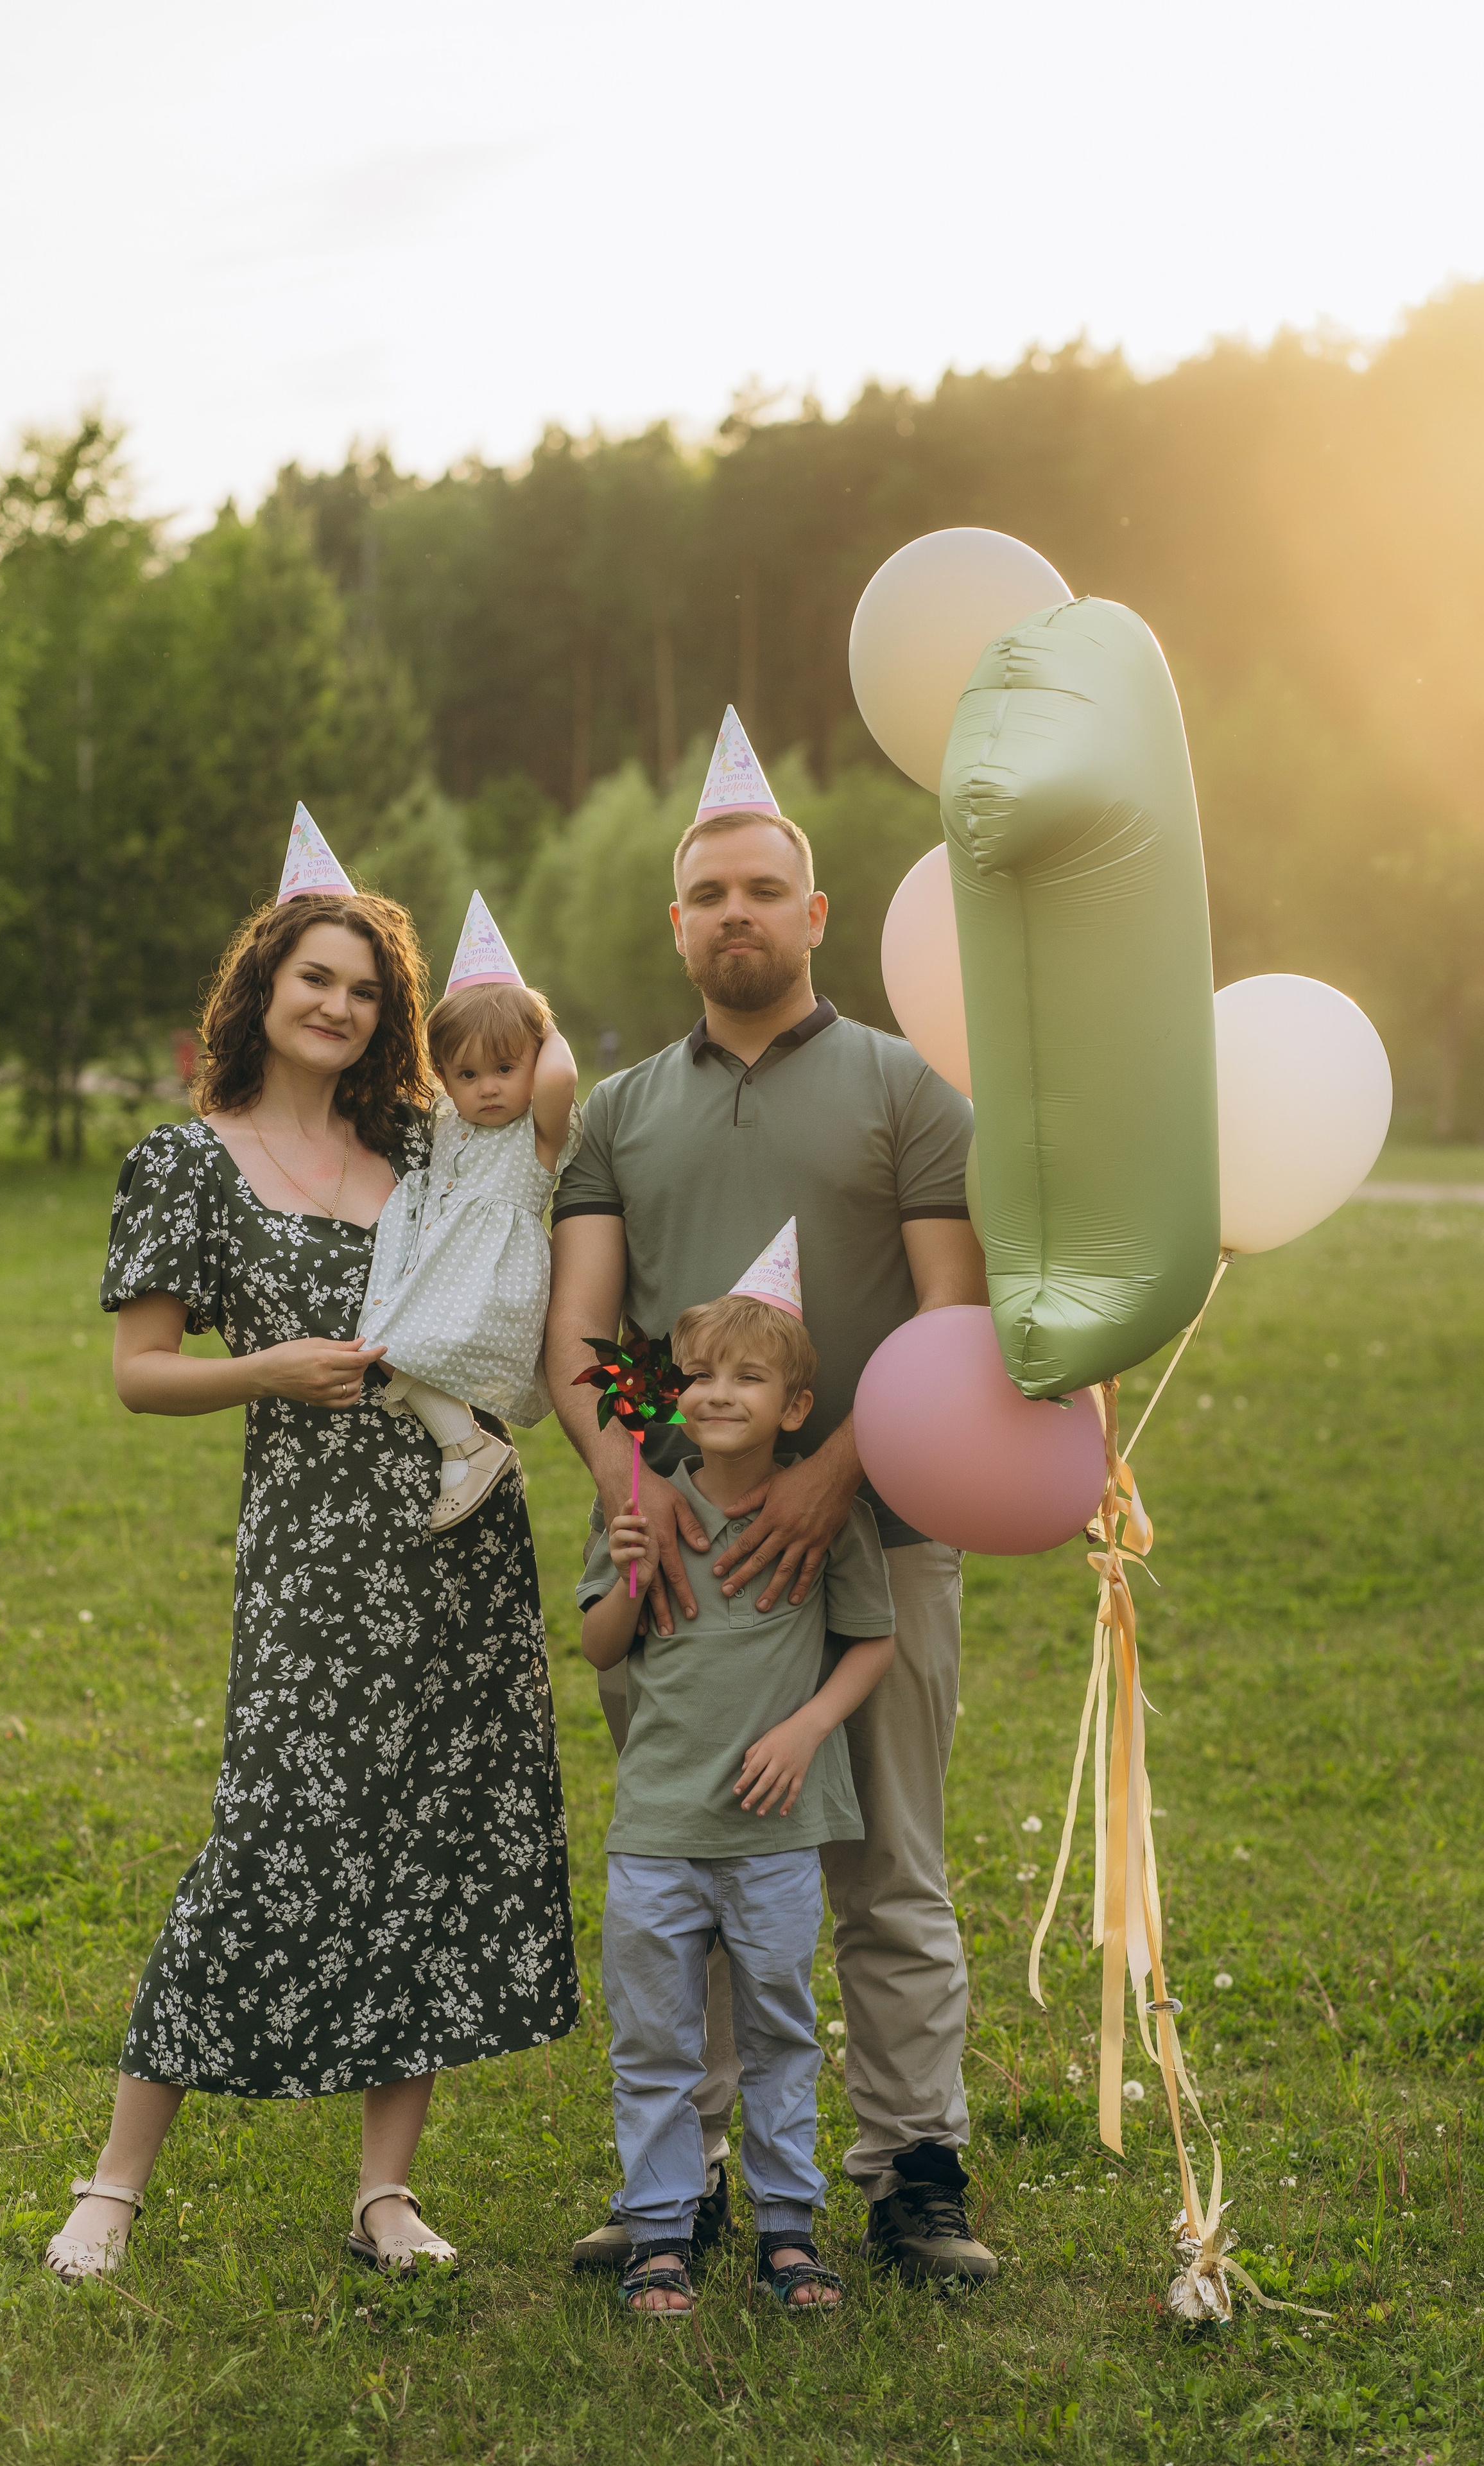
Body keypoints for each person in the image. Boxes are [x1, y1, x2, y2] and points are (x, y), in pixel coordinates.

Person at [44, 809, 579, 2288]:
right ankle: (115, 2178)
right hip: (310, 1548)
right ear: (260, 988)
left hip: (458, 1527)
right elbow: (139, 1371)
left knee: (425, 1836)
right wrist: (266, 1369)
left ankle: (384, 2190)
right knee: (270, 1830)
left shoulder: (427, 1136)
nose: (339, 1005)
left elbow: (552, 1150)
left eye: (363, 987)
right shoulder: (183, 1162)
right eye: (315, 978)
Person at [546, 708, 998, 2286]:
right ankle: (693, 2179)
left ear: (812, 915)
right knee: (692, 1857)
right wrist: (634, 1481)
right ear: (675, 924)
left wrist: (835, 1465)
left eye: (761, 889)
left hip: (880, 1532)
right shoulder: (617, 1110)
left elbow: (950, 1313)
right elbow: (583, 1330)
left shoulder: (900, 1086)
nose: (732, 913)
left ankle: (907, 2167)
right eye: (705, 894)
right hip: (678, 1557)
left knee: (882, 1861)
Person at [580, 1261, 894, 2320]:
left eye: (746, 1378)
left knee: (780, 2028)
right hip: (659, 1831)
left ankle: (789, 2233)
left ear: (794, 1407)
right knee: (656, 2039)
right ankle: (661, 2233)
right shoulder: (643, 1507)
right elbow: (598, 1647)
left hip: (773, 1832)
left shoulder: (822, 1519)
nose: (716, 1392)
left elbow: (871, 1644)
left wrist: (808, 1729)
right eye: (699, 1373)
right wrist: (627, 1570)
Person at [357, 891, 578, 1533]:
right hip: (446, 1263)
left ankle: (469, 1449)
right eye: (468, 1073)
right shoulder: (449, 1121)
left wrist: (546, 1030)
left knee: (397, 1344)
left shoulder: (537, 1132)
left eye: (507, 1068)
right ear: (446, 1079)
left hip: (492, 1272)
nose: (487, 1087)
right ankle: (468, 1448)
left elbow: (561, 1079)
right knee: (386, 1347)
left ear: (534, 1064)